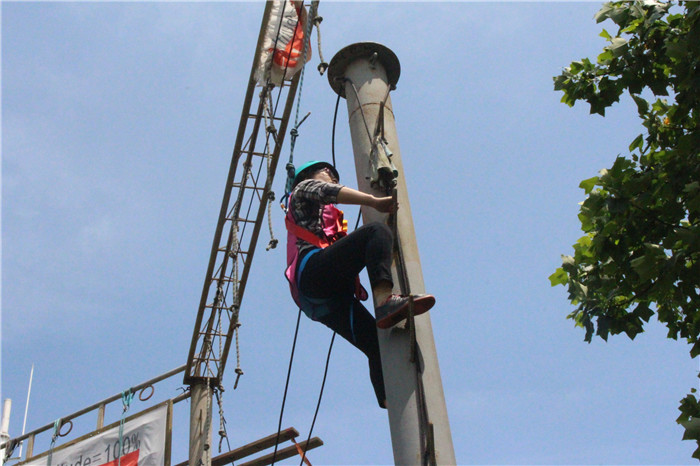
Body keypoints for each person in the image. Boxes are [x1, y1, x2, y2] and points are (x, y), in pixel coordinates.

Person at [284, 160, 435, 408]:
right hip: (314, 274)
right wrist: (374, 202)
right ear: (308, 176)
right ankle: (387, 300)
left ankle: (389, 401)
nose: (332, 176)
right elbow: (328, 192)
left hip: (327, 298)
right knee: (375, 232)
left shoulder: (329, 218)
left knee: (377, 343)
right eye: (327, 172)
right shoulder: (302, 191)